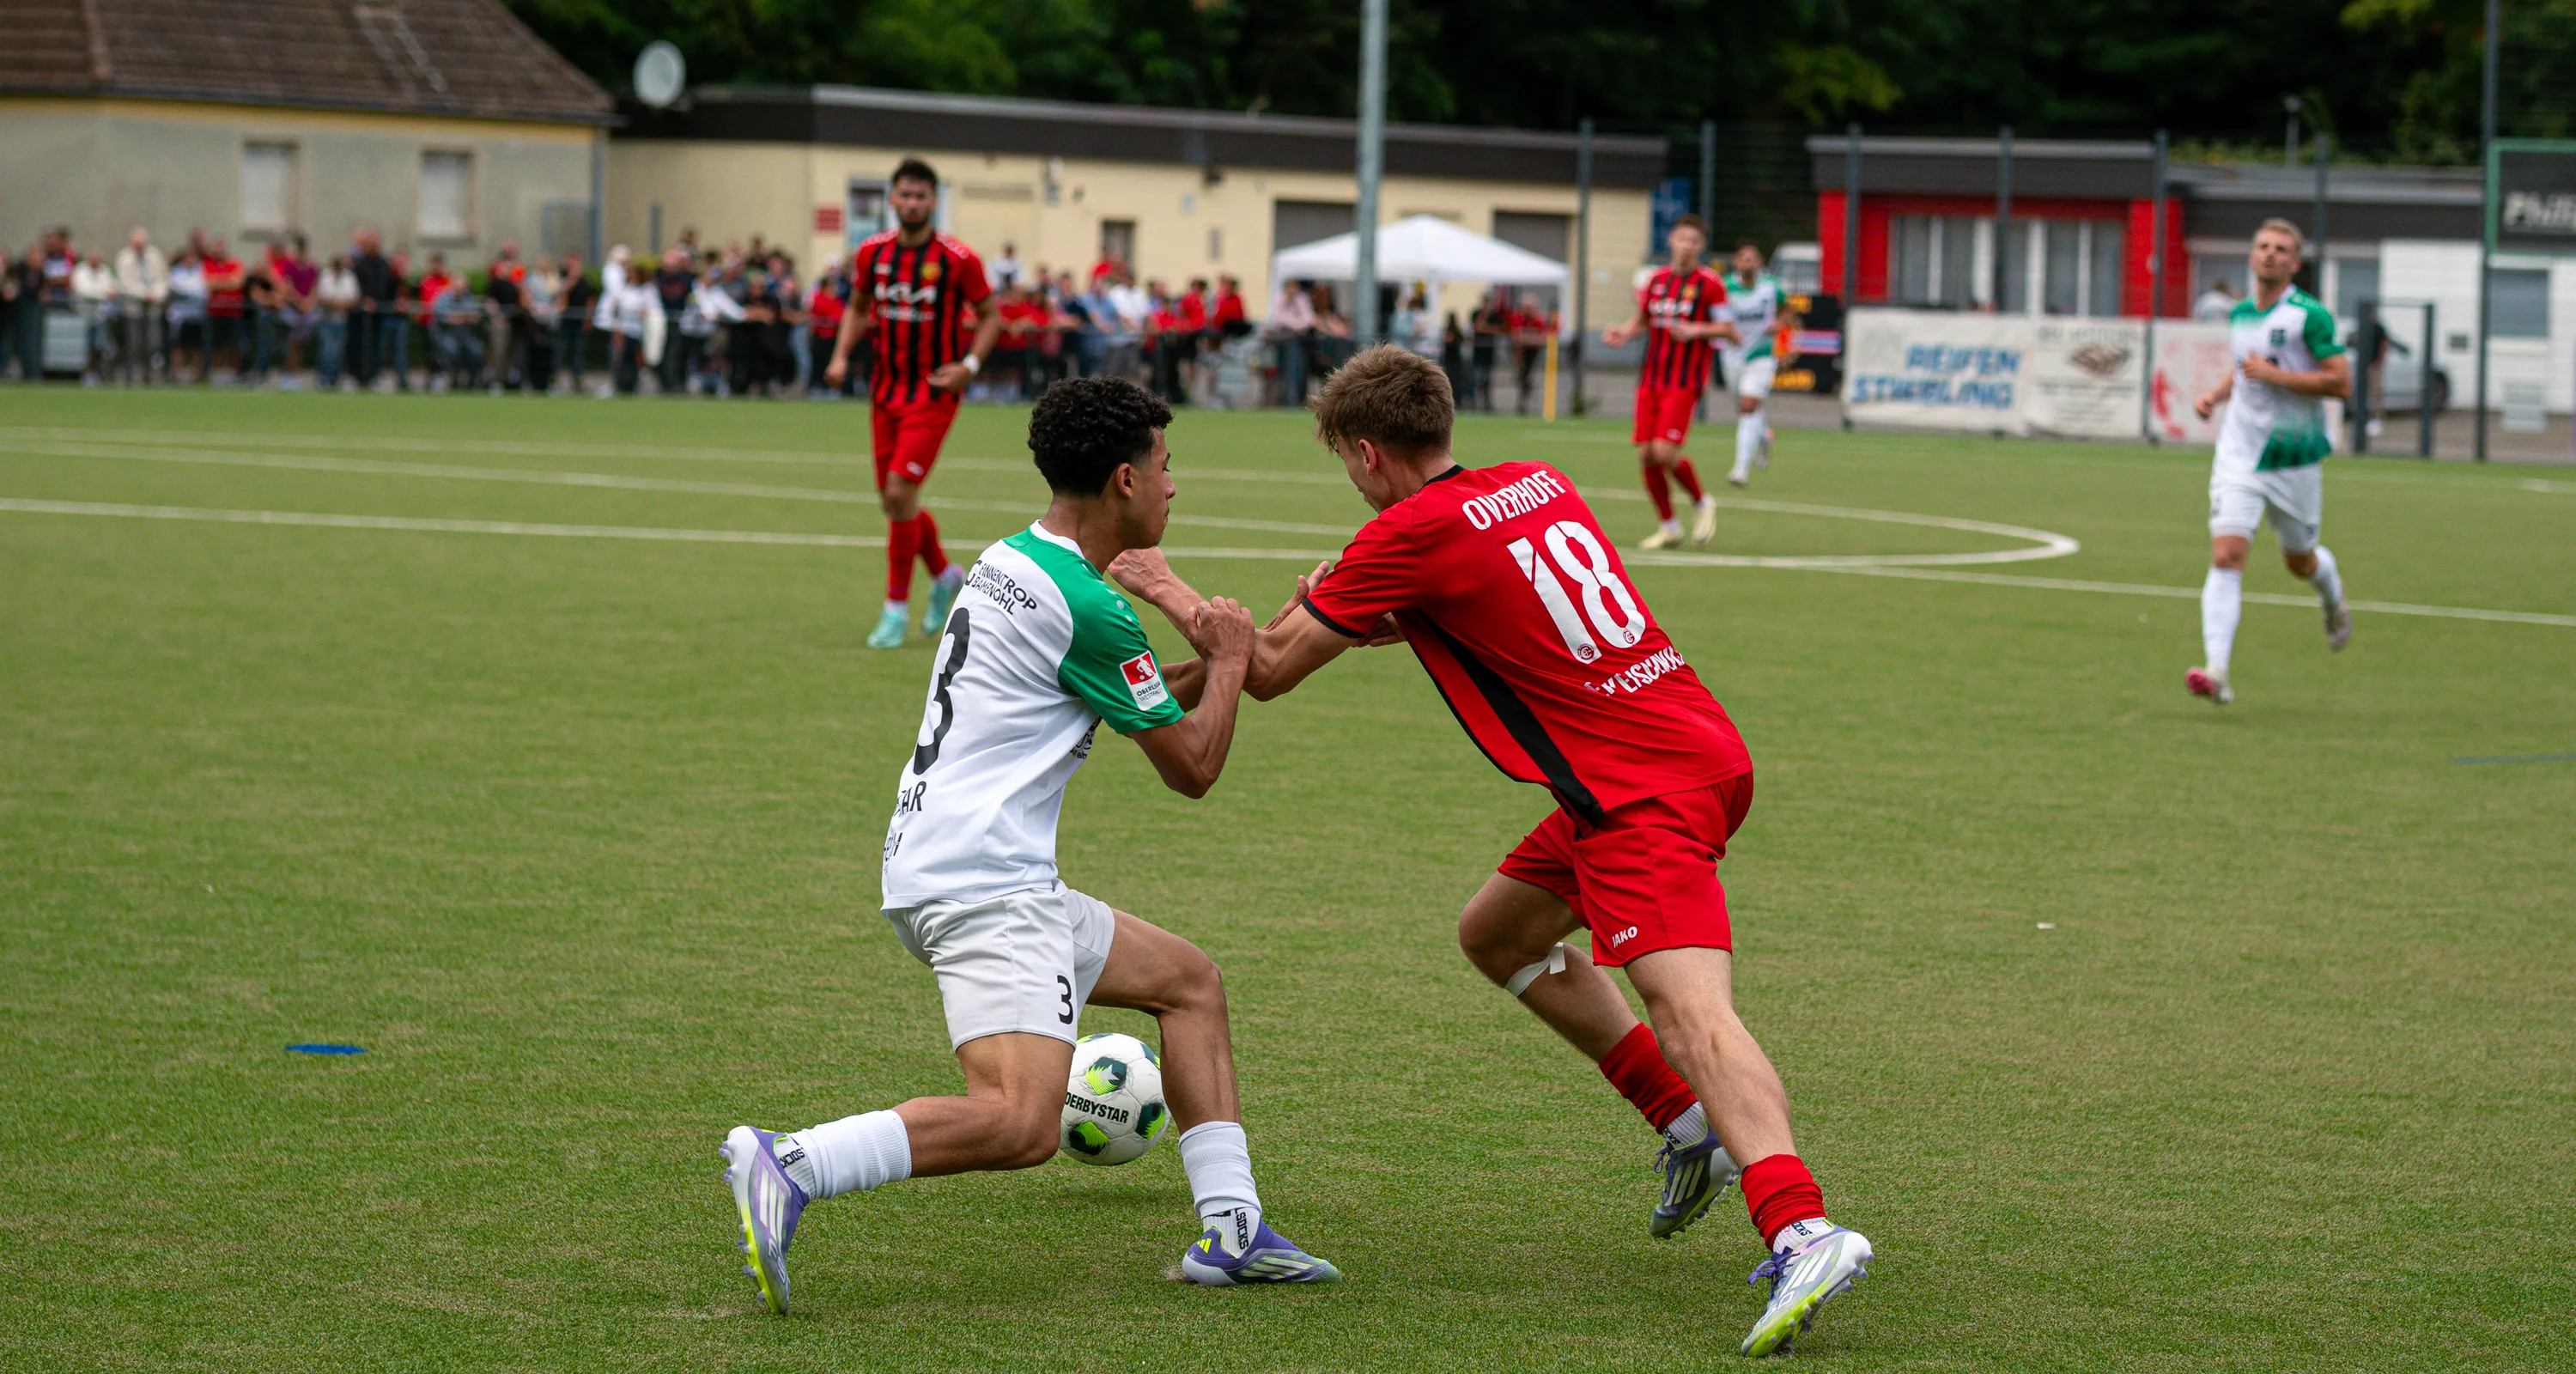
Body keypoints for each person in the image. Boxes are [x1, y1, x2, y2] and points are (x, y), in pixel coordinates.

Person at [1108, 345, 1874, 1359]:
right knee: (1500, 931)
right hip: (1687, 748)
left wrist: (1164, 585)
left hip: (1639, 794)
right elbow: (1490, 603)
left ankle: (1801, 1226)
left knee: (1691, 1008)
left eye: (1345, 458)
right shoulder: (1533, 481)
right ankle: (1686, 1122)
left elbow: (1272, 669)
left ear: (1367, 452)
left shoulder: (1404, 533)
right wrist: (1374, 608)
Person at [719, 376, 1340, 1313]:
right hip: (984, 883)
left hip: (968, 865)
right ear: (1125, 479)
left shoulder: (1017, 559)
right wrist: (1225, 657)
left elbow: (1130, 690)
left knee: (1189, 984)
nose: (1177, 487)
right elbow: (1194, 764)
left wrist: (1230, 657)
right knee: (1019, 1122)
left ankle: (1234, 1232)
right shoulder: (1089, 606)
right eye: (1169, 468)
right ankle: (792, 1161)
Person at [825, 157, 1004, 649]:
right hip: (885, 391)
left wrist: (968, 364)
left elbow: (991, 315)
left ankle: (894, 610)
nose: (912, 203)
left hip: (933, 392)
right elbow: (858, 309)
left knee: (900, 493)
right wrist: (841, 355)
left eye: (921, 196)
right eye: (904, 194)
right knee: (894, 500)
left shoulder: (957, 258)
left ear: (934, 201)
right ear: (891, 199)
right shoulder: (872, 253)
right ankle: (946, 575)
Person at [2186, 219, 2354, 706]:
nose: (2270, 255)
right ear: (2251, 255)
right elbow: (2244, 369)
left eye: (2281, 249)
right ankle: (2216, 670)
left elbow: (2340, 384)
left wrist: (2276, 376)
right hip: (2239, 452)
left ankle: (2332, 597)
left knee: (2299, 561)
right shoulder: (2241, 313)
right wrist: (2216, 395)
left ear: (2294, 263)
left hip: (2293, 457)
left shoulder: (2310, 317)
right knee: (2226, 555)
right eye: (2262, 246)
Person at [1602, 215, 1729, 549]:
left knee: (1663, 450)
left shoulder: (1711, 284)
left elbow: (1730, 331)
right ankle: (1669, 526)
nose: (1687, 245)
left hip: (1684, 381)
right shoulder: (1656, 280)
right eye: (1682, 238)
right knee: (1646, 455)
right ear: (1671, 240)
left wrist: (1697, 330)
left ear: (1701, 247)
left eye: (1694, 241)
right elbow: (1642, 320)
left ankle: (1702, 501)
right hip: (1651, 378)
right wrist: (1623, 332)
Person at [1719, 243, 1791, 489]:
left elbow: (1787, 312)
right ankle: (1764, 436)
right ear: (1736, 263)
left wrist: (1778, 323)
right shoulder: (1725, 287)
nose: (1748, 263)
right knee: (1743, 409)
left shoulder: (1771, 287)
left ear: (1759, 263)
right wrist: (1726, 332)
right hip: (1733, 355)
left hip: (1761, 355)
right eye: (1743, 259)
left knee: (1749, 406)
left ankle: (1740, 469)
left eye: (1753, 259)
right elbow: (1715, 315)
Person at [112, 228, 167, 384]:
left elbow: (163, 280)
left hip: (152, 309)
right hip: (133, 309)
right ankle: (131, 377)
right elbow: (125, 284)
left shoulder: (155, 256)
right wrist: (144, 295)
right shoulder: (124, 258)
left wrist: (156, 295)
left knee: (153, 344)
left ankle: (150, 377)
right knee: (133, 345)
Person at [313, 253, 359, 388]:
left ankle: (333, 379)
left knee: (338, 351)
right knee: (327, 349)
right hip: (326, 319)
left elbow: (353, 299)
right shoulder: (325, 276)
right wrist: (337, 304)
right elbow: (322, 298)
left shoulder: (349, 277)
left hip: (341, 320)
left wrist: (340, 304)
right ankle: (323, 378)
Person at [557, 253, 595, 393]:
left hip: (579, 322)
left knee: (578, 352)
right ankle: (557, 380)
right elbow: (561, 298)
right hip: (566, 322)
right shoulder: (563, 279)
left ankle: (577, 381)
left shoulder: (585, 281)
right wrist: (570, 281)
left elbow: (590, 300)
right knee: (561, 351)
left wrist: (588, 319)